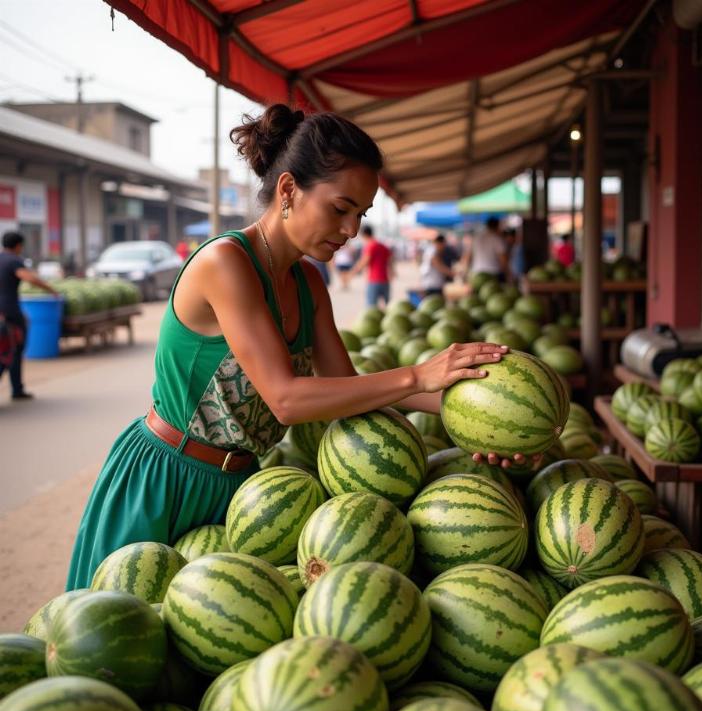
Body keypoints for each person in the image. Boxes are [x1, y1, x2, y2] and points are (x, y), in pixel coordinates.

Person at [65, 104, 526, 590]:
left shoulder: (308, 281)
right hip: (165, 481)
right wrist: (416, 373)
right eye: (340, 208)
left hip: (241, 490)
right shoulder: (226, 263)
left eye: (361, 215)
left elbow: (346, 389)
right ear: (288, 190)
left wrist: (479, 424)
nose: (351, 231)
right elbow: (285, 399)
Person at [0, 231, 60, 401]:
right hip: (9, 312)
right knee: (13, 349)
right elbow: (28, 277)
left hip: (5, 312)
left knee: (6, 349)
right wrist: (50, 289)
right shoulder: (14, 260)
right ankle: (17, 389)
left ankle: (17, 388)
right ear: (18, 245)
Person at [352, 224, 392, 308]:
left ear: (364, 235)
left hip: (374, 280)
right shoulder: (383, 246)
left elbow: (365, 261)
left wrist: (353, 271)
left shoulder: (370, 246)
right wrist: (392, 273)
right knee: (388, 307)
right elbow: (390, 261)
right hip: (385, 280)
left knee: (371, 308)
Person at [464, 216, 510, 283]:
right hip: (493, 274)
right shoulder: (497, 239)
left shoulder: (477, 238)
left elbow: (468, 256)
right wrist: (507, 274)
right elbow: (503, 260)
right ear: (497, 226)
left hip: (477, 274)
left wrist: (466, 272)